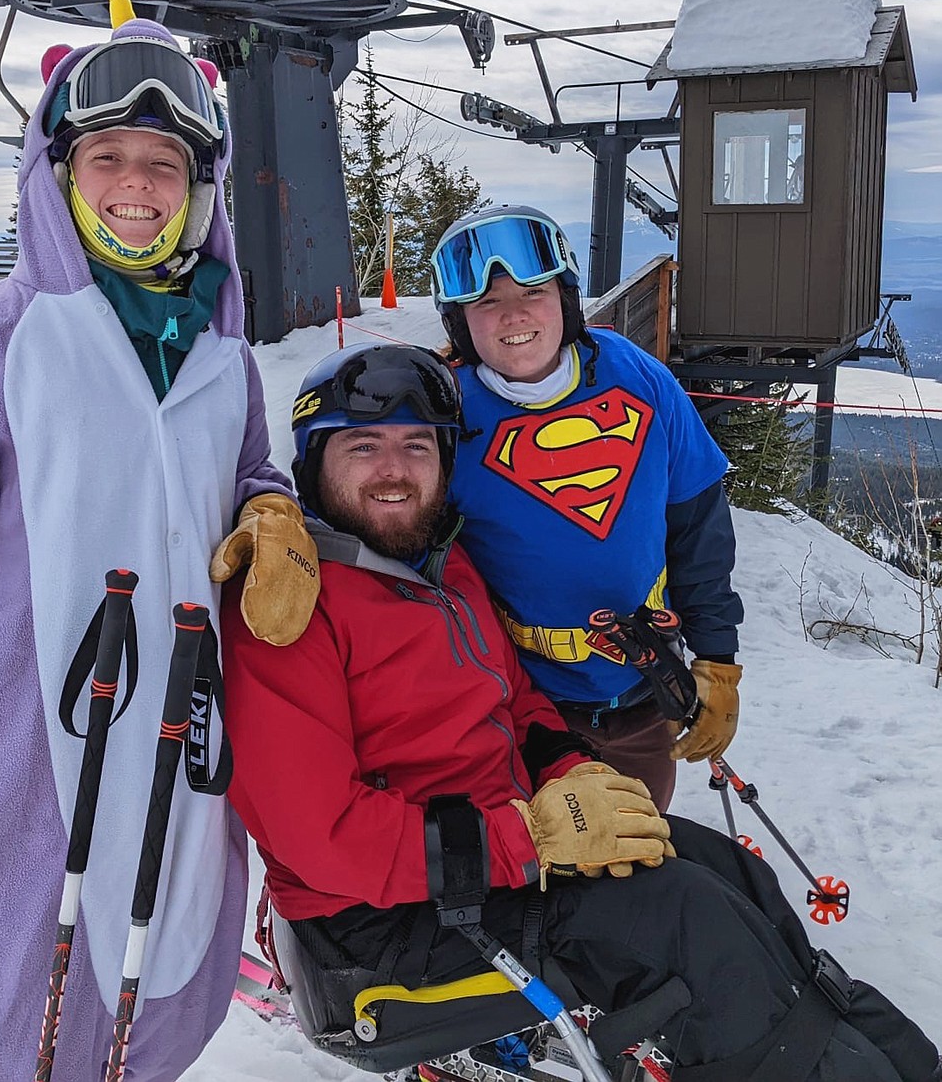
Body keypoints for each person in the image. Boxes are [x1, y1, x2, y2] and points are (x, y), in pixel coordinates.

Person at [0, 0, 319, 1082]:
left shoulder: (219, 357)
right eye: (110, 160)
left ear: (200, 191)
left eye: (164, 165)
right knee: (13, 1023)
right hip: (28, 754)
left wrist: (269, 506)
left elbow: (236, 469)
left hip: (180, 742)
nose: (137, 187)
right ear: (61, 174)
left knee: (166, 990)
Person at [220, 343, 938, 1082]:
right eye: (362, 446)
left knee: (719, 869)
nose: (394, 470)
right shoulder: (286, 609)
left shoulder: (442, 566)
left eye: (416, 445)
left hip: (484, 869)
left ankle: (887, 1061)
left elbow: (518, 701)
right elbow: (322, 838)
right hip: (378, 930)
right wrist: (528, 837)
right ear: (313, 461)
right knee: (685, 923)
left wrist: (572, 775)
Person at [431, 204, 744, 809]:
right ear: (461, 321)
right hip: (520, 707)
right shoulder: (444, 417)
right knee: (537, 874)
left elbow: (697, 526)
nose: (514, 315)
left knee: (636, 856)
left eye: (532, 291)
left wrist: (716, 656)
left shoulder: (637, 378)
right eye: (487, 303)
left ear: (566, 300)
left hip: (641, 689)